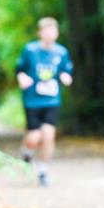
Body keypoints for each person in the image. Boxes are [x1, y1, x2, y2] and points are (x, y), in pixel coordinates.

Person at [16, 17, 73, 186]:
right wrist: (22, 78)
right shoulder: (30, 50)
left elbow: (66, 70)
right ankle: (27, 150)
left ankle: (43, 170)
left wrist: (66, 77)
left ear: (57, 33)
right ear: (40, 33)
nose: (49, 34)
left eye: (52, 31)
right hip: (32, 101)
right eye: (46, 31)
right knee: (34, 137)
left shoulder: (61, 52)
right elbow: (20, 69)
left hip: (52, 100)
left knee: (49, 134)